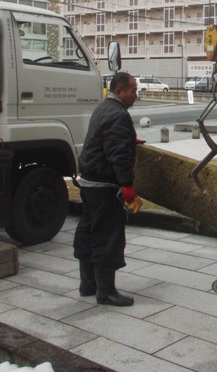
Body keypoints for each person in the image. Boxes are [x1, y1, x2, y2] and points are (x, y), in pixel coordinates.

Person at [72, 71, 138, 306]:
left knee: (89, 230)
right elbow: (118, 154)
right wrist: (127, 185)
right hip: (104, 185)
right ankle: (106, 291)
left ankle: (88, 284)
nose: (136, 95)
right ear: (119, 91)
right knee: (108, 236)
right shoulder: (118, 115)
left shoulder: (103, 108)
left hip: (89, 183)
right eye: (132, 91)